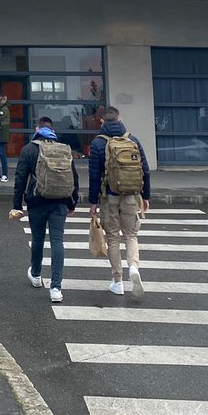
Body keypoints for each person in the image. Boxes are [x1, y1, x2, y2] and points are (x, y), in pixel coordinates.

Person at [10, 117, 78, 304]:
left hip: (37, 201)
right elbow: (74, 178)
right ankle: (56, 288)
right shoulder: (64, 149)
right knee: (57, 241)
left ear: (37, 129)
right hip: (60, 202)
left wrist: (17, 205)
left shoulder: (29, 150)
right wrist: (73, 203)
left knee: (38, 238)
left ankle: (36, 274)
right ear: (52, 130)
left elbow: (20, 179)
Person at [88, 105, 151, 297]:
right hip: (132, 195)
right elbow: (145, 169)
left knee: (113, 238)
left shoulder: (98, 143)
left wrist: (93, 202)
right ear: (120, 119)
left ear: (102, 122)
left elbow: (94, 175)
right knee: (131, 236)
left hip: (109, 197)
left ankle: (117, 281)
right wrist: (146, 196)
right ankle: (134, 268)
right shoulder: (133, 140)